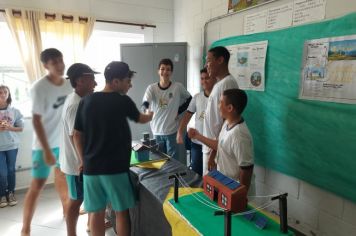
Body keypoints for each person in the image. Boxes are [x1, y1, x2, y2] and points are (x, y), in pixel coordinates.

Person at [73, 61, 153, 236]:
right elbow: (140, 119)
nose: (130, 85)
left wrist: (82, 160)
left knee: (96, 213)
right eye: (127, 81)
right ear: (116, 82)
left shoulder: (86, 101)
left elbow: (77, 135)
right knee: (121, 212)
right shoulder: (121, 100)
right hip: (115, 169)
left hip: (91, 169)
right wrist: (150, 115)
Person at [22, 48, 72, 236]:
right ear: (45, 66)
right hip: (43, 147)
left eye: (61, 60)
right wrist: (47, 150)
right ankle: (25, 227)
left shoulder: (68, 85)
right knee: (37, 185)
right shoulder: (38, 88)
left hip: (63, 143)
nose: (60, 65)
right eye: (54, 62)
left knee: (63, 179)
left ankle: (67, 212)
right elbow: (36, 120)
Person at [188, 89, 254, 191]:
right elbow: (219, 144)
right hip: (225, 182)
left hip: (235, 189)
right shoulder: (228, 122)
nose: (218, 106)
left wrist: (240, 196)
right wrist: (198, 136)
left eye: (221, 102)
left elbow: (246, 169)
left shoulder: (240, 135)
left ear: (230, 108)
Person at [59, 63, 98, 236]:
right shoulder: (75, 105)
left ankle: (91, 224)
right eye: (92, 79)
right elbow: (75, 136)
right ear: (80, 80)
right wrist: (83, 162)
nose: (96, 84)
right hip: (77, 165)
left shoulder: (79, 99)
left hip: (82, 161)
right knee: (76, 200)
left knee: (88, 196)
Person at [142, 58, 191, 160]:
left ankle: (172, 176)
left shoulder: (177, 87)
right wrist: (146, 110)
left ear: (171, 72)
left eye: (168, 69)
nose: (165, 72)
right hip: (157, 131)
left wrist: (179, 110)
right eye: (162, 69)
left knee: (173, 161)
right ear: (158, 71)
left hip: (171, 131)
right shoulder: (152, 88)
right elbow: (146, 101)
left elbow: (190, 99)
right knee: (159, 160)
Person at [203, 46, 239, 175]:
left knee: (214, 190)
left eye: (209, 60)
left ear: (220, 60)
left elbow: (227, 121)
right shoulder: (219, 84)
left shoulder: (227, 84)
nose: (206, 65)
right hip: (211, 146)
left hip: (216, 149)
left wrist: (213, 154)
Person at [176, 68, 216, 175]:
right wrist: (180, 132)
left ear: (214, 79)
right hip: (197, 143)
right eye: (202, 78)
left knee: (211, 176)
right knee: (195, 174)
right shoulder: (197, 97)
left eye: (207, 78)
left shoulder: (219, 98)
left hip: (212, 145)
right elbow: (187, 116)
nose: (204, 81)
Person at [0, 85, 24, 207]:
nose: (3, 94)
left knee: (11, 170)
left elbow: (21, 128)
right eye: (0, 92)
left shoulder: (15, 111)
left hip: (11, 145)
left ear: (9, 94)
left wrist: (10, 128)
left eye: (5, 92)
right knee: (2, 172)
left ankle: (11, 193)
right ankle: (2, 195)